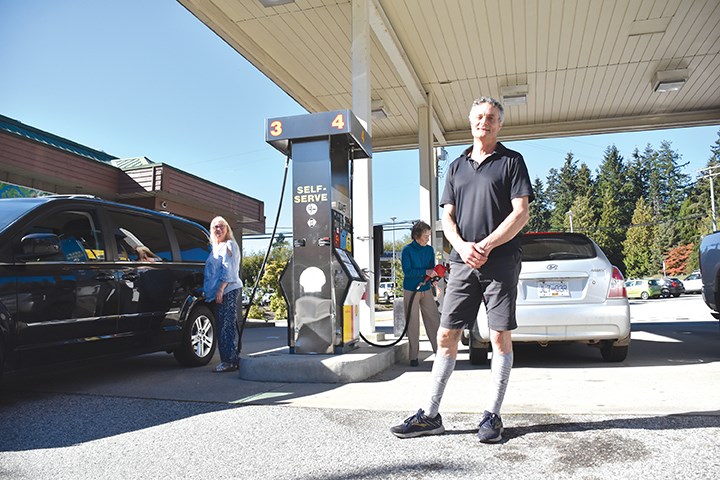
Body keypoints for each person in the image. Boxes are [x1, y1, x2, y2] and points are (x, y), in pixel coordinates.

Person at [391, 97, 534, 443]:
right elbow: (447, 217)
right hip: (462, 262)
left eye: (492, 118)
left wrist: (486, 245)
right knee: (446, 334)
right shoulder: (456, 167)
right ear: (471, 122)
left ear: (500, 124)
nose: (485, 122)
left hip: (499, 261)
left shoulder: (512, 162)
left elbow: (521, 213)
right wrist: (463, 247)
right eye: (479, 117)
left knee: (498, 336)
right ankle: (429, 414)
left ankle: (492, 416)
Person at [204, 216, 243, 373]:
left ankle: (229, 361)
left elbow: (229, 269)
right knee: (222, 324)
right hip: (219, 291)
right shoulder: (215, 247)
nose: (218, 229)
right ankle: (230, 359)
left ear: (227, 229)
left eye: (221, 226)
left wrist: (220, 289)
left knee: (225, 325)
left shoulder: (229, 245)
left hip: (227, 289)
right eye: (215, 227)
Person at [400, 220, 440, 366]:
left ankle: (440, 354)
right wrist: (425, 272)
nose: (427, 239)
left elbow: (432, 268)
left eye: (428, 236)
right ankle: (413, 357)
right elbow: (407, 271)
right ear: (416, 235)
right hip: (411, 290)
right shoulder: (407, 250)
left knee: (434, 320)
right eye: (425, 236)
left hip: (426, 289)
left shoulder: (429, 250)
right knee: (413, 323)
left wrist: (434, 278)